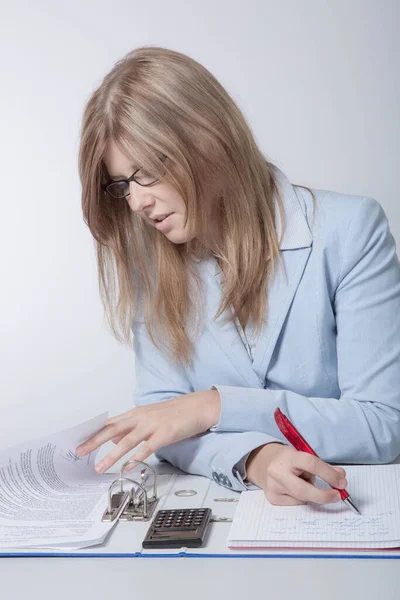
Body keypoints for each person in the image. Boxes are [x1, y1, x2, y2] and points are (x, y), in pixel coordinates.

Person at [75, 45, 400, 507]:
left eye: (145, 172)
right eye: (123, 185)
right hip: (229, 539)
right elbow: (163, 425)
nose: (136, 203)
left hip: (351, 519)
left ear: (207, 140)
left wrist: (214, 406)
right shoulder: (154, 267)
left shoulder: (350, 232)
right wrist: (255, 459)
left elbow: (384, 424)